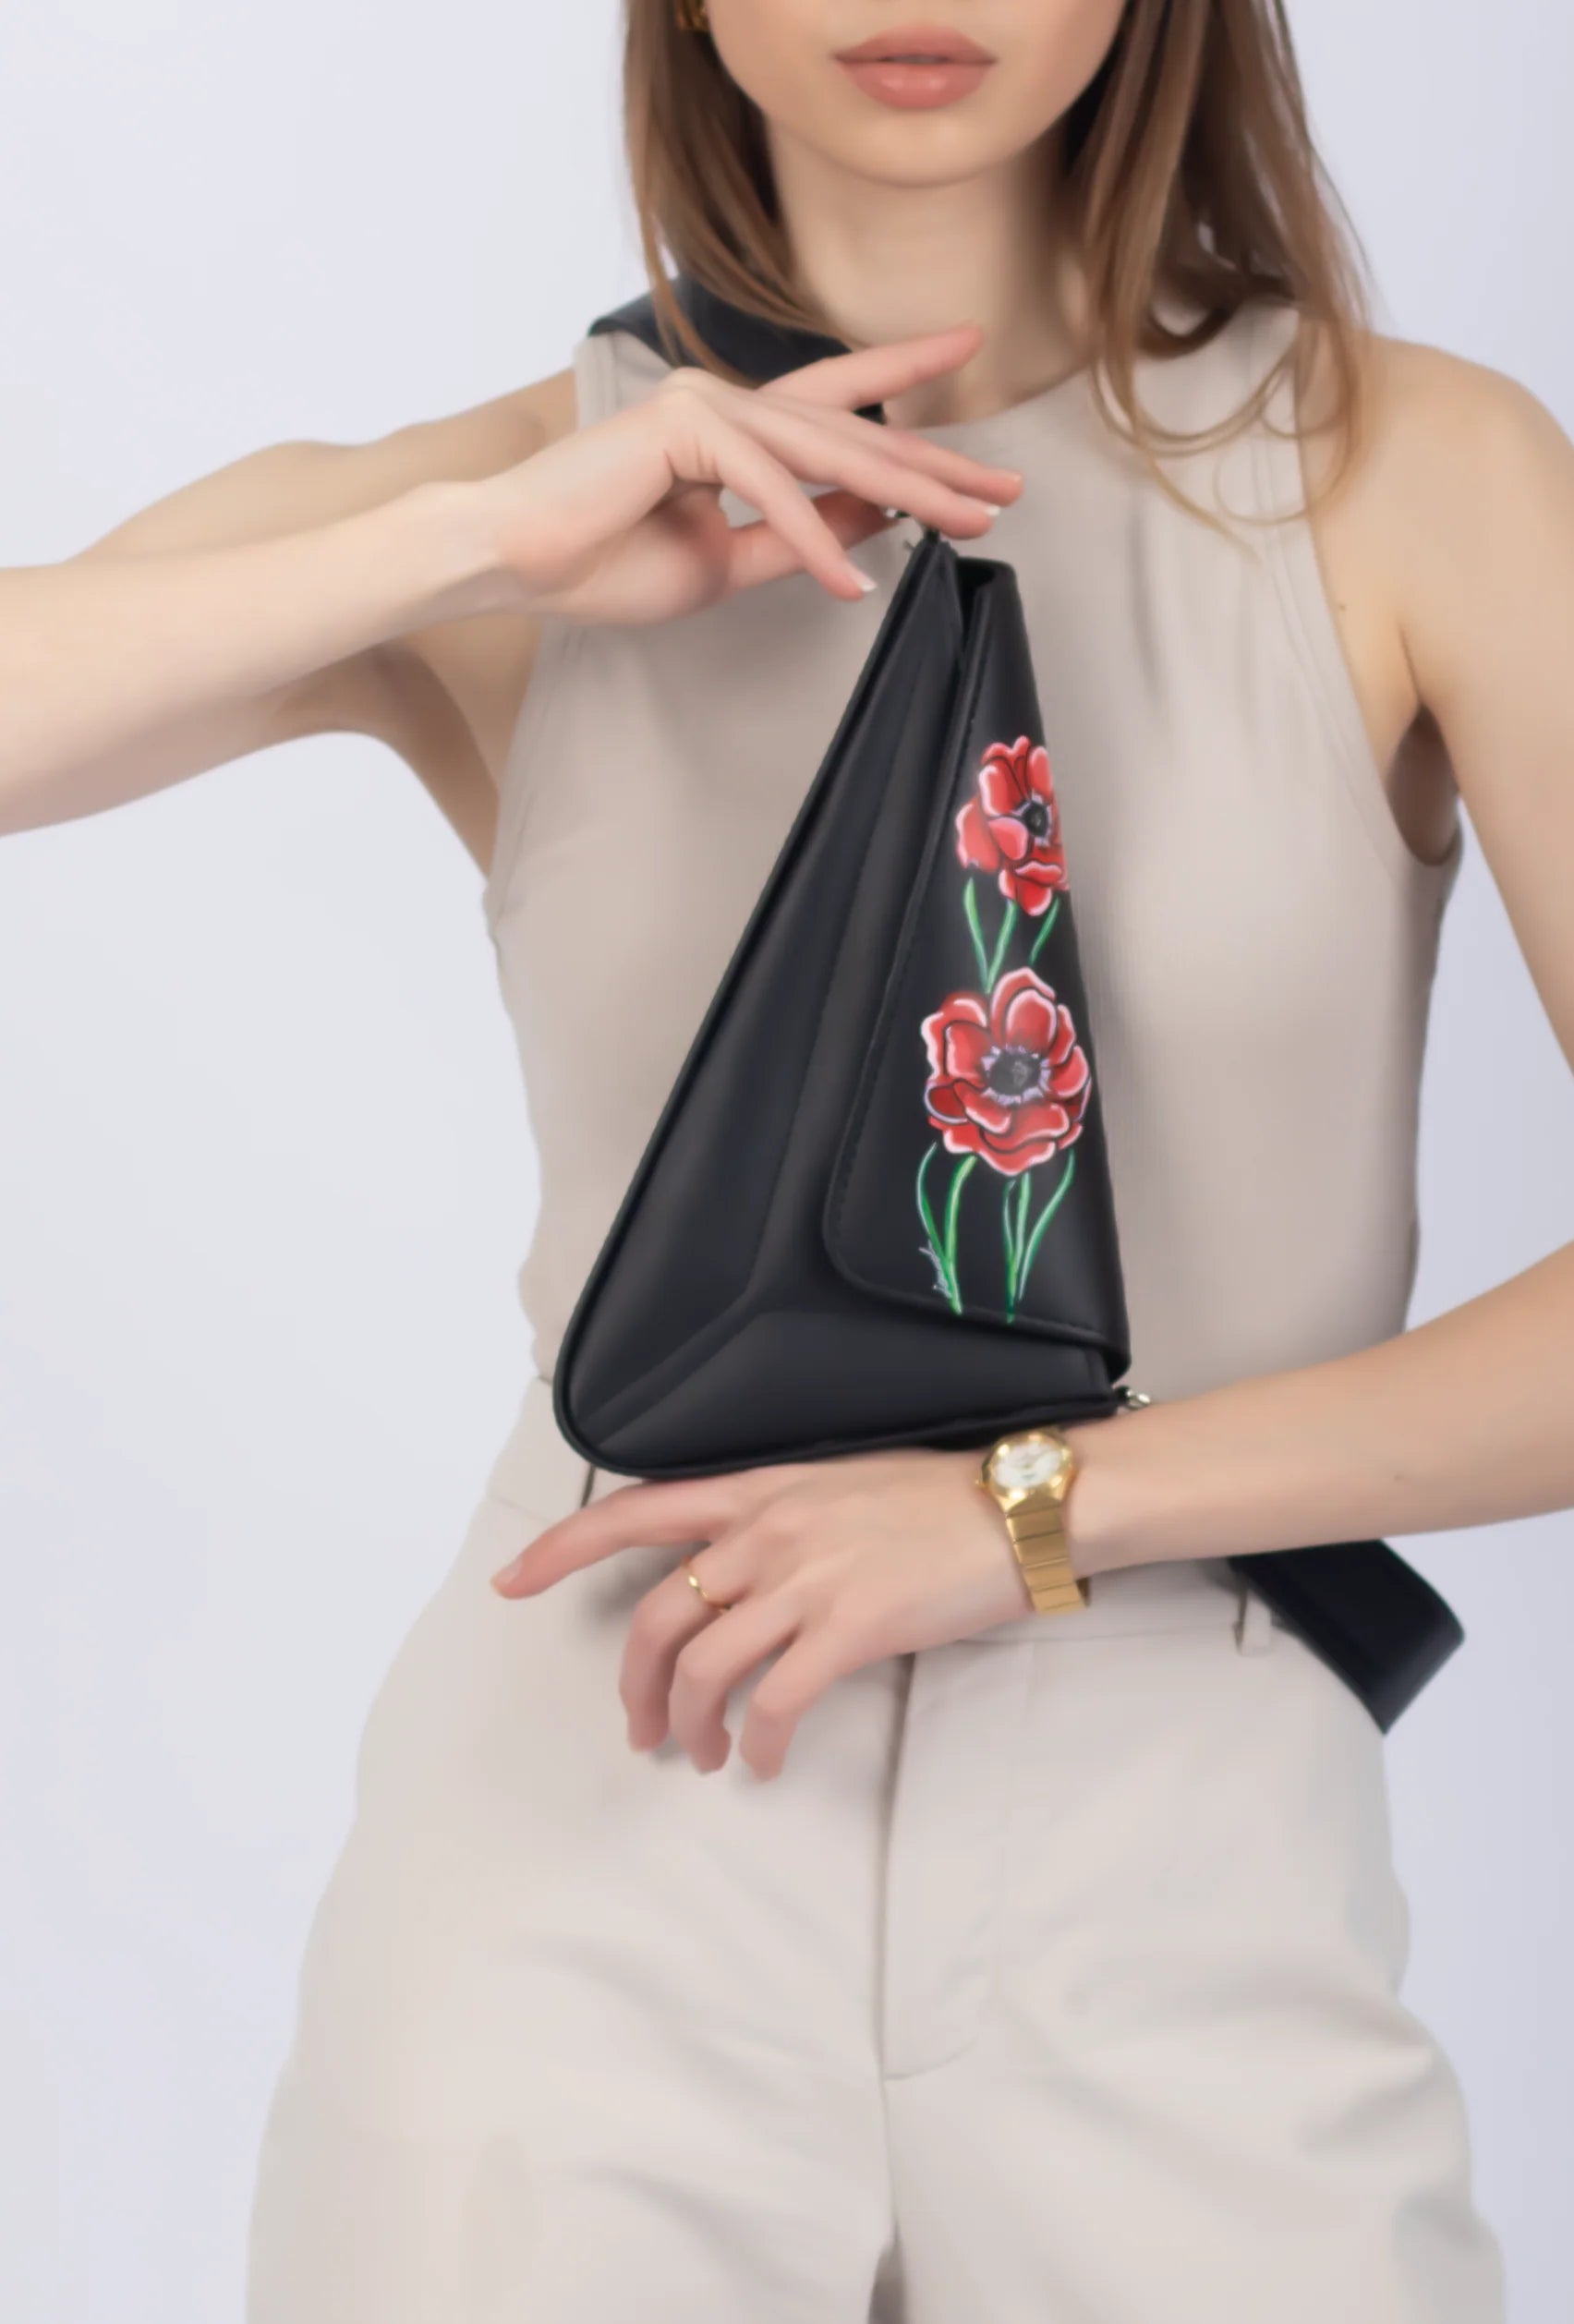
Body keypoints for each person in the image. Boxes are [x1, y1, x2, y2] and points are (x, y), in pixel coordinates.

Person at [6, 2, 1571, 2318]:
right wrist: (472, 539)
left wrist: (1029, 1513)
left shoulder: (1411, 470)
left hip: (1186, 1845)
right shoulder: (532, 504)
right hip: (590, 1807)